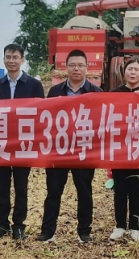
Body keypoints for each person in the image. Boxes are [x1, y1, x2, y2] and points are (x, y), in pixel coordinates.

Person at [37, 49, 103, 243]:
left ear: (87, 68)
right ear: (66, 67)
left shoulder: (95, 92)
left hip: (84, 149)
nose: (76, 69)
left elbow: (100, 121)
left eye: (80, 65)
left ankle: (84, 231)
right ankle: (48, 231)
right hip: (59, 149)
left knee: (84, 191)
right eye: (72, 65)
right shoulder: (55, 91)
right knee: (54, 191)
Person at [0, 43, 45, 241]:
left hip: (23, 144)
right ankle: (1, 225)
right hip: (1, 143)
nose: (11, 61)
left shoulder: (34, 85)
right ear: (3, 60)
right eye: (8, 57)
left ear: (22, 60)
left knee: (21, 186)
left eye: (15, 57)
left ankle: (18, 225)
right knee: (2, 186)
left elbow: (40, 115)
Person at [109, 56, 139, 242]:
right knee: (120, 188)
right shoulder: (114, 93)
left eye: (136, 69)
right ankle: (119, 226)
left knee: (136, 187)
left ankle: (135, 226)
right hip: (120, 147)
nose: (133, 73)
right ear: (124, 72)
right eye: (129, 69)